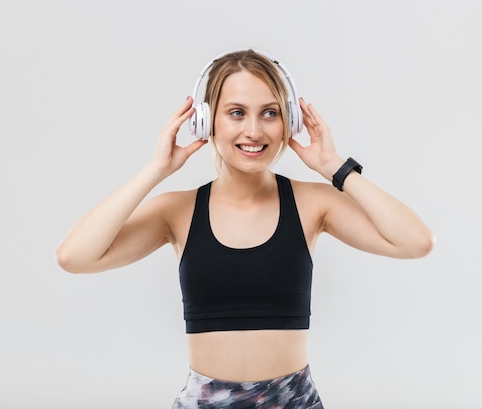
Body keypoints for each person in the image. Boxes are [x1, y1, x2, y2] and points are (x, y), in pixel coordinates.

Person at [55, 48, 435, 409]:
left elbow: (416, 242)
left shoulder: (313, 204)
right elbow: (74, 257)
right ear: (206, 121)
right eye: (236, 113)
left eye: (269, 113)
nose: (254, 130)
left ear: (289, 122)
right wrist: (155, 171)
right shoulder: (177, 211)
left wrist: (335, 166)